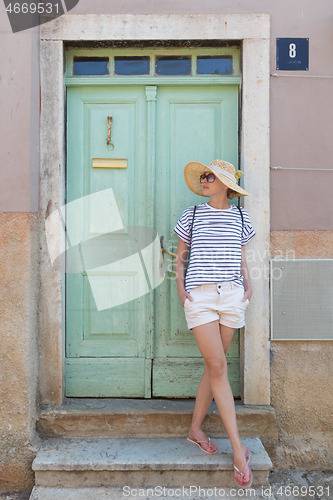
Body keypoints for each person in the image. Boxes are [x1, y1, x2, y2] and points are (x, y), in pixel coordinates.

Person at [174, 159, 255, 488]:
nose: (204, 180)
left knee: (215, 367)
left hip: (232, 295)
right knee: (218, 366)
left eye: (211, 176)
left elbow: (241, 257)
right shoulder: (191, 214)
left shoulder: (240, 216)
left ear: (226, 184)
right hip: (201, 298)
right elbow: (180, 257)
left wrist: (249, 286)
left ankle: (195, 429)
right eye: (203, 176)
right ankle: (239, 450)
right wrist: (182, 290)